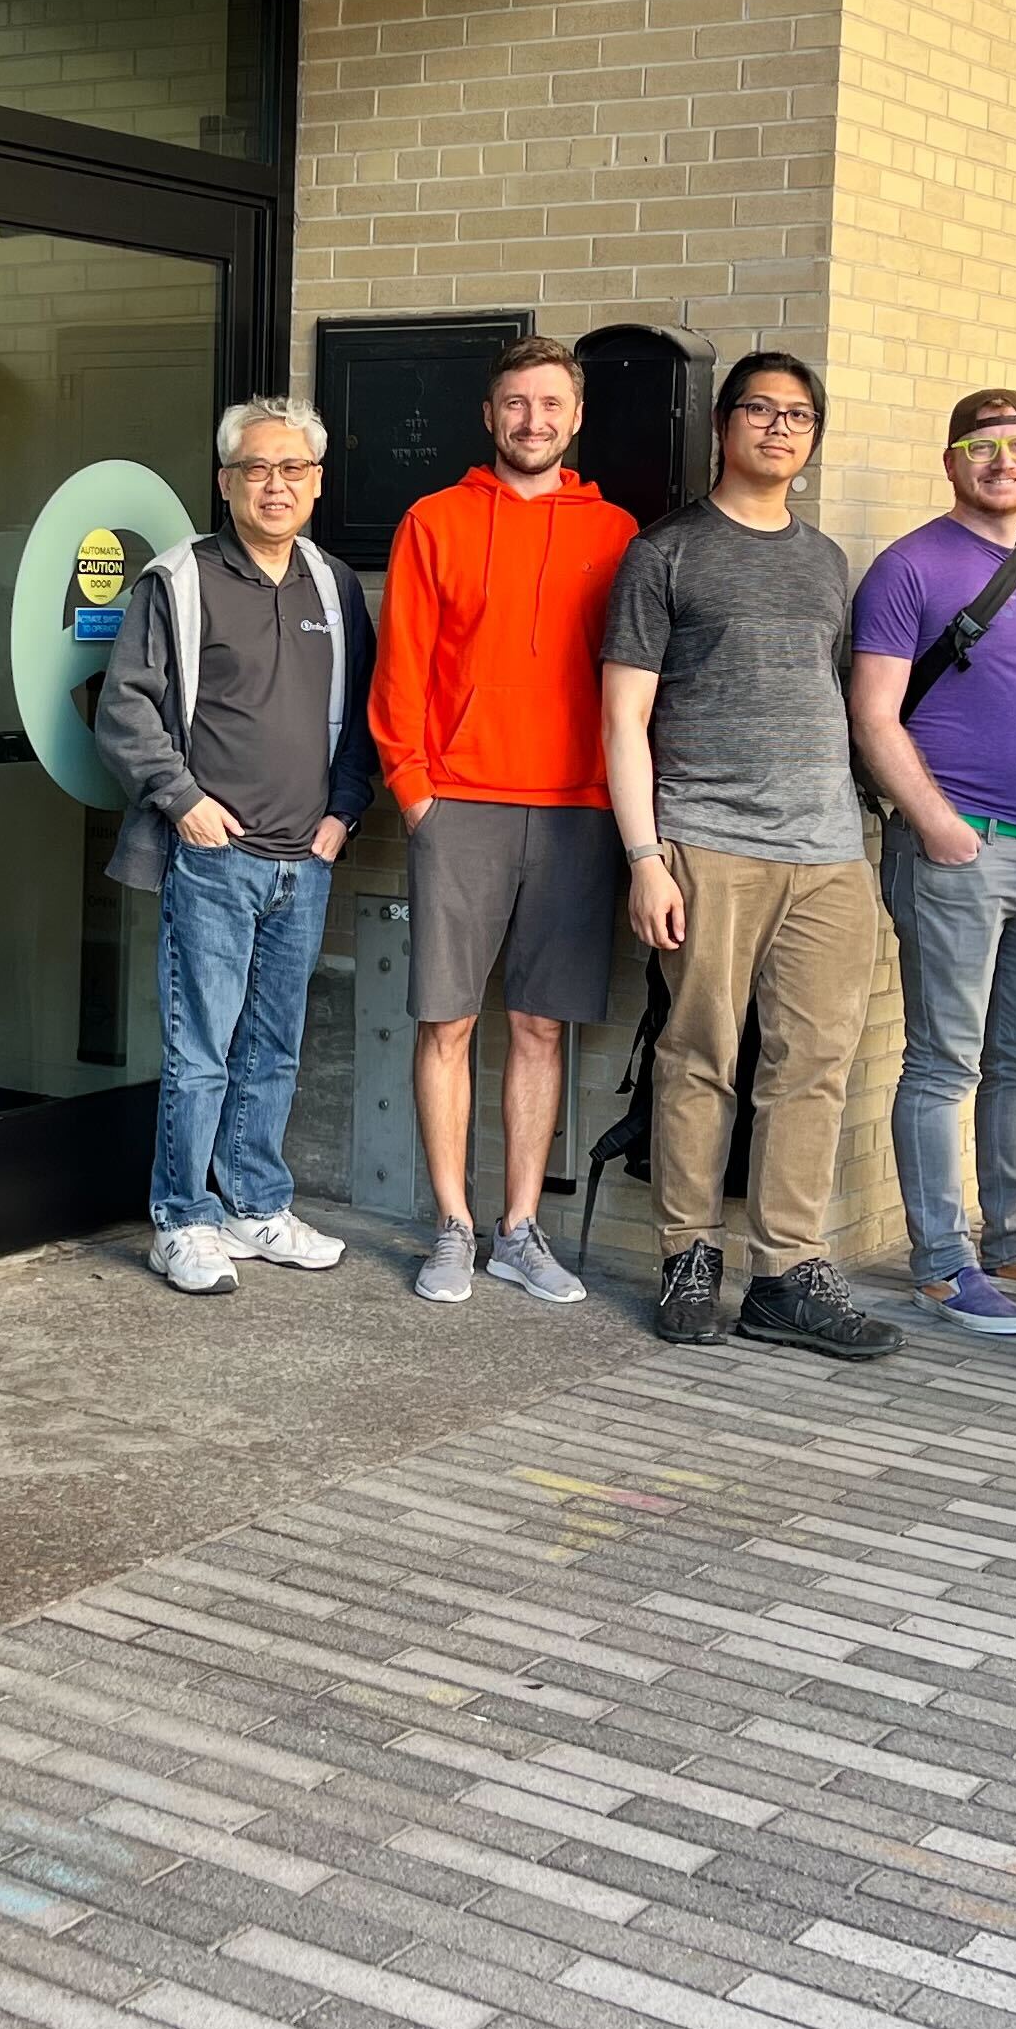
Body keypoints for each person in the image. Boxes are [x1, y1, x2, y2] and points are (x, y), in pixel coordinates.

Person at [602, 352, 902, 1363]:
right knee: (699, 1057)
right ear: (724, 426)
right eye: (762, 411)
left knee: (813, 1066)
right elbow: (624, 715)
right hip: (707, 840)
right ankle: (690, 1252)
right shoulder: (666, 552)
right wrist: (645, 856)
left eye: (799, 415)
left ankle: (785, 1271)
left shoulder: (825, 561)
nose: (781, 428)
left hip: (826, 851)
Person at [370, 334, 637, 1306]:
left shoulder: (616, 533)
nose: (532, 420)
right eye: (515, 403)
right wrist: (417, 795)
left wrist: (612, 801)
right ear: (490, 416)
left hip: (574, 814)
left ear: (575, 417)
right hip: (461, 805)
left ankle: (519, 1231)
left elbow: (630, 684)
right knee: (446, 1022)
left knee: (537, 1028)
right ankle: (451, 1223)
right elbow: (399, 665)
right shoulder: (434, 520)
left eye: (550, 404)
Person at [91, 395, 375, 1297]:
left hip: (307, 858)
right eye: (257, 468)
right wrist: (183, 802)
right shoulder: (179, 581)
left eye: (294, 469)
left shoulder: (334, 587)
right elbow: (125, 706)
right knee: (202, 1049)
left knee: (275, 1049)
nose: (276, 484)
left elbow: (366, 716)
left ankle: (256, 1204)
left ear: (318, 484)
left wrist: (345, 814)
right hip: (215, 856)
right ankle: (182, 1219)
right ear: (226, 482)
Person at [848, 386, 1016, 1336]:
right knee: (941, 1062)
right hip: (961, 853)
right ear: (952, 460)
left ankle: (1015, 1239)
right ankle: (938, 1262)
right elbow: (873, 712)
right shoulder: (909, 568)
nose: (1005, 460)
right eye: (983, 445)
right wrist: (936, 824)